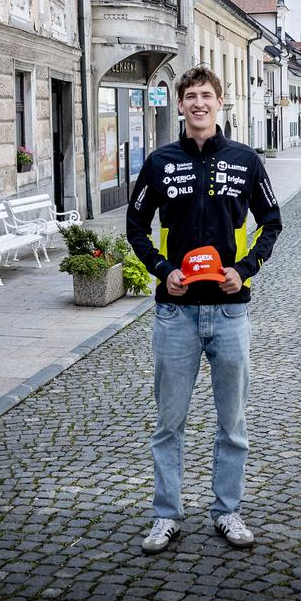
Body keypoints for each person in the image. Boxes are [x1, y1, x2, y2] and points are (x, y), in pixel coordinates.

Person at [126, 66, 283, 555]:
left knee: (232, 423)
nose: (198, 104)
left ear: (220, 103)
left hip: (231, 311)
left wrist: (247, 266)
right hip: (175, 314)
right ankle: (166, 516)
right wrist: (160, 268)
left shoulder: (245, 160)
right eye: (190, 96)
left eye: (206, 96)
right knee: (168, 423)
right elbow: (134, 224)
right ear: (179, 105)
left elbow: (272, 221)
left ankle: (227, 511)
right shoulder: (159, 162)